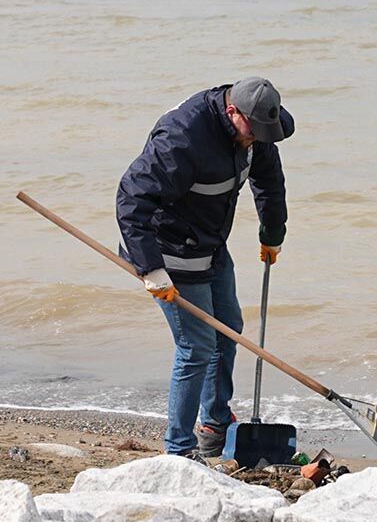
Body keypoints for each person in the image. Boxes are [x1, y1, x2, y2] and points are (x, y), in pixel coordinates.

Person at [116, 77, 294, 461]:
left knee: (228, 327)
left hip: (210, 243)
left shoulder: (256, 130)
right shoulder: (182, 139)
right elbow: (132, 199)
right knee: (196, 347)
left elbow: (269, 181)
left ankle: (214, 423)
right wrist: (150, 269)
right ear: (233, 112)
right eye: (254, 132)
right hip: (168, 252)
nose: (258, 140)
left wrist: (272, 230)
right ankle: (179, 451)